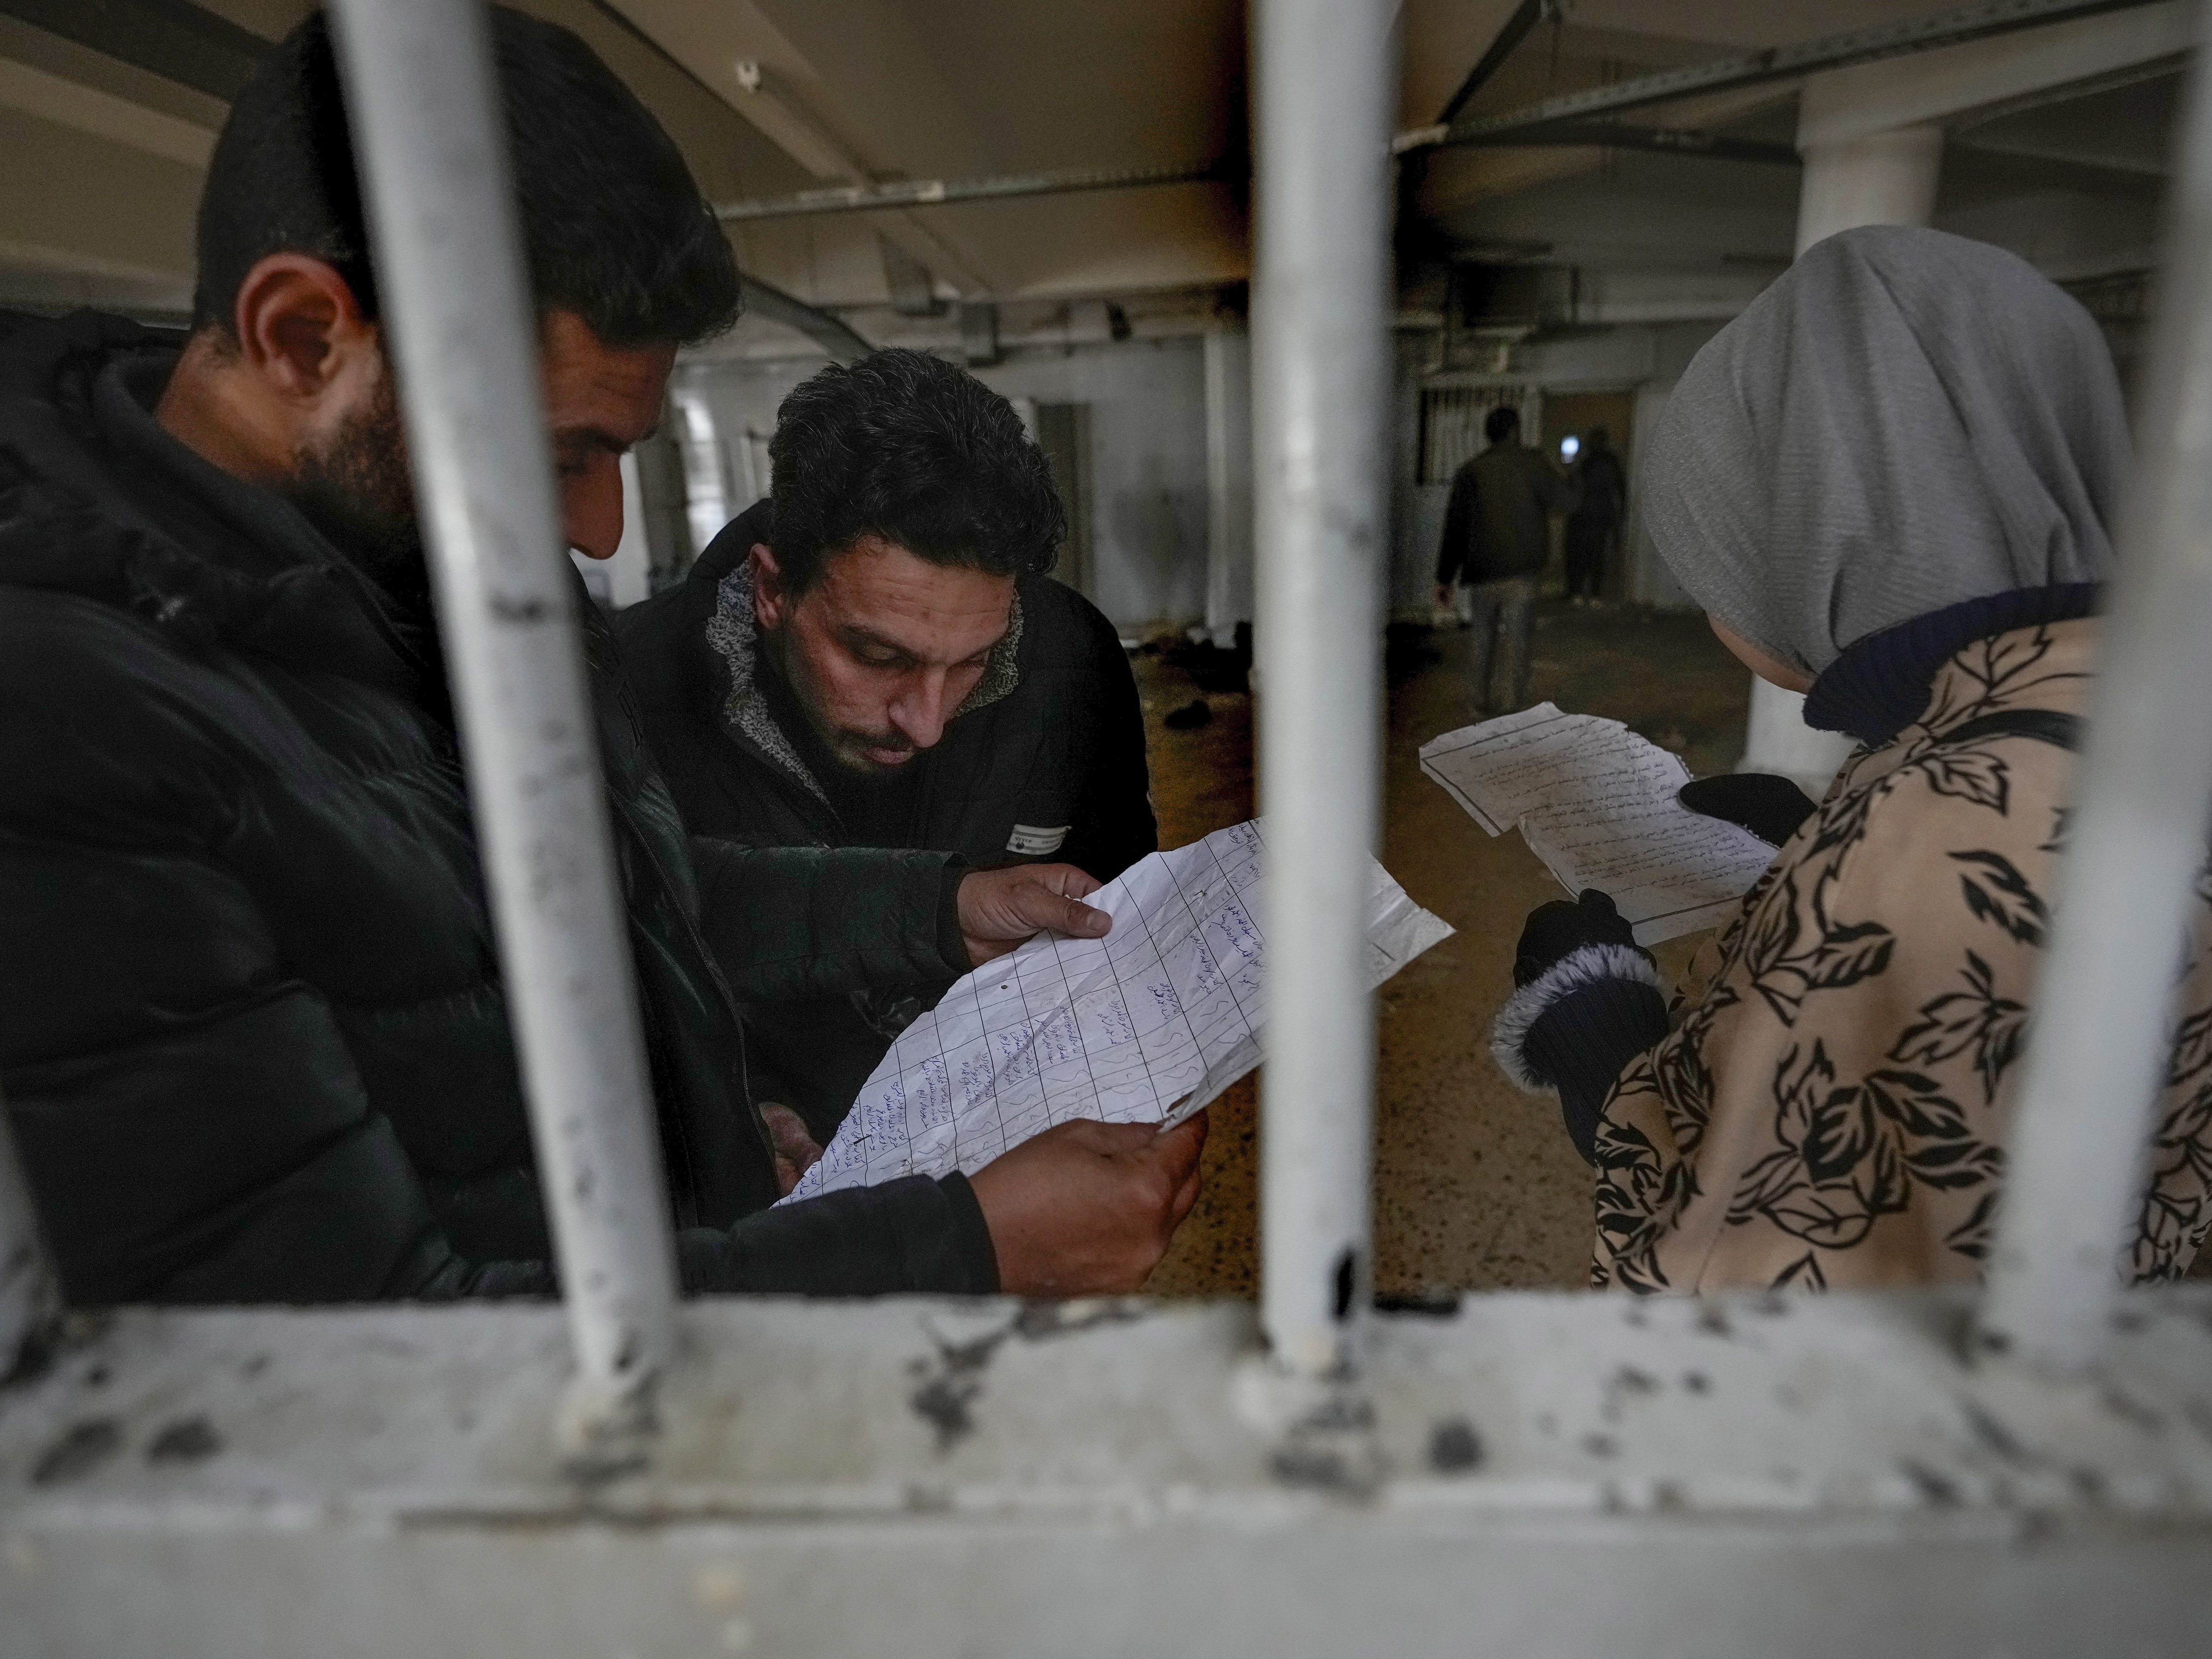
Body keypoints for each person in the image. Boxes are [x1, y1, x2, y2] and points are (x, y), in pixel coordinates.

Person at [0, 9, 1203, 1308]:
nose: (597, 531)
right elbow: (342, 1361)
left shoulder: (455, 580)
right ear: (304, 339)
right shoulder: (66, 726)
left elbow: (629, 898)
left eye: (619, 457)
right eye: (563, 451)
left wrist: (918, 921)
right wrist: (954, 1247)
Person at [1489, 225, 2212, 1292]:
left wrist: (1597, 1037)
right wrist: (1828, 827)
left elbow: (1761, 1283)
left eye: (1722, 551)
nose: (1709, 604)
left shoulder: (1929, 835)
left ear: (1813, 538)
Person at [616, 351, 1156, 1141]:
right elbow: (619, 978)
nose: (926, 722)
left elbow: (1119, 903)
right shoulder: (627, 686)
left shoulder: (1069, 659)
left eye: (975, 661)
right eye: (877, 657)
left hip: (1006, 1151)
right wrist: (737, 1115)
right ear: (771, 590)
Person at [1433, 404, 1570, 714]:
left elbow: (1454, 527)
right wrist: (1566, 472)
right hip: (1521, 573)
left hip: (1482, 573)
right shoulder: (1534, 463)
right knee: (1518, 642)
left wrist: (1444, 579)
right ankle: (1512, 708)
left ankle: (1478, 706)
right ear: (1514, 431)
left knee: (1482, 641)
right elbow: (1566, 502)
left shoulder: (1470, 470)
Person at [1563, 425, 1626, 603]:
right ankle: (1593, 594)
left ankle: (1577, 593)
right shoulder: (1610, 461)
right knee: (1596, 555)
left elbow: (1572, 485)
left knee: (1579, 554)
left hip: (1583, 515)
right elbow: (1620, 491)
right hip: (1598, 516)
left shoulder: (1584, 459)